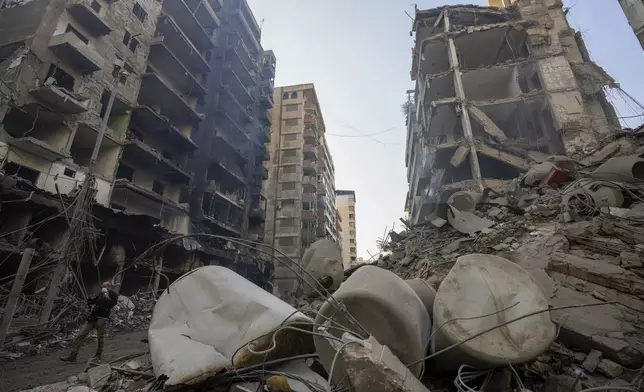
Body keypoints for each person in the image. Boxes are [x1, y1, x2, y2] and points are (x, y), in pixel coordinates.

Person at [60, 282, 118, 362]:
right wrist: (91, 298)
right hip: (93, 317)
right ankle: (73, 355)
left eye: (106, 286)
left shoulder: (113, 294)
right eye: (103, 286)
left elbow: (112, 304)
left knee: (100, 337)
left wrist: (107, 296)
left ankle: (98, 354)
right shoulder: (100, 294)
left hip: (102, 317)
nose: (104, 287)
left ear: (110, 287)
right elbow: (92, 301)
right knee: (80, 335)